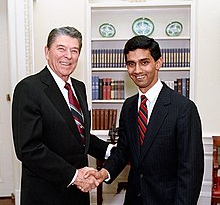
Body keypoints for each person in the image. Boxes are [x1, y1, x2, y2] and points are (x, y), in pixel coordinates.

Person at [86, 35, 204, 204]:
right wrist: (103, 173)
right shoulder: (128, 106)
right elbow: (123, 151)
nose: (137, 70)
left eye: (144, 62)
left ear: (158, 63)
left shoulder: (184, 108)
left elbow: (191, 171)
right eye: (131, 64)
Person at [12, 26, 113, 205]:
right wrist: (74, 175)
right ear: (47, 51)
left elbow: (76, 135)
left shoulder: (79, 87)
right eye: (61, 49)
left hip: (78, 194)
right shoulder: (28, 89)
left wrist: (110, 151)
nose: (68, 56)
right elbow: (28, 148)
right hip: (46, 194)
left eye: (74, 50)